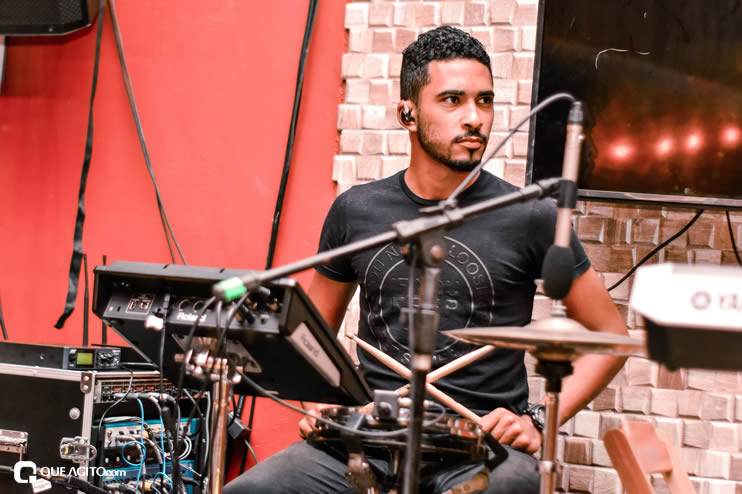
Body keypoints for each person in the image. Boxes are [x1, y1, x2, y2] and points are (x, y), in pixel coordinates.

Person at [224, 25, 628, 494]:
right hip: (371, 438)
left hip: (481, 448)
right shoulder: (356, 210)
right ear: (407, 114)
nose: (474, 118)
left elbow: (611, 337)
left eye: (484, 101)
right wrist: (321, 408)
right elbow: (308, 338)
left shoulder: (530, 215)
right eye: (453, 100)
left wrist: (536, 420)